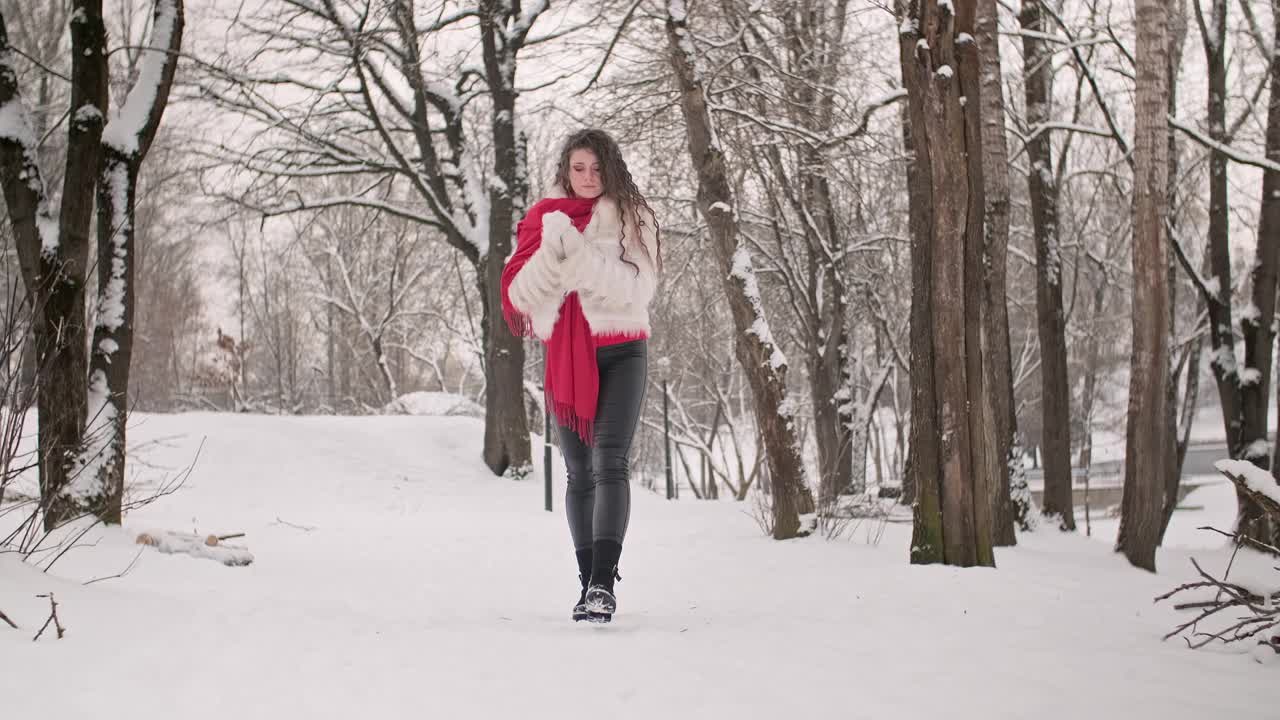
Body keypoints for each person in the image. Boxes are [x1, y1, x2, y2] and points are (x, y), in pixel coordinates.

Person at [500, 129, 661, 624]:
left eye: (596, 168)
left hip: (622, 350)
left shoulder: (634, 216)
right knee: (578, 471)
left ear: (610, 168)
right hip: (567, 359)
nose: (588, 178)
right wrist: (553, 249)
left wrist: (580, 254)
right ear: (565, 171)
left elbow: (638, 291)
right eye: (578, 168)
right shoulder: (542, 220)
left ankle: (602, 585)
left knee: (609, 461)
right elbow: (523, 297)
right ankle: (585, 583)